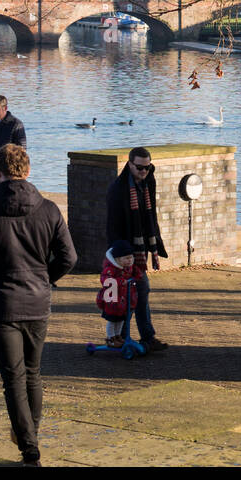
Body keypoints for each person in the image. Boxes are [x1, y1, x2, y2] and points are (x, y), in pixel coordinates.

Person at [0, 143, 76, 466]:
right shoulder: (49, 209)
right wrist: (44, 278)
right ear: (27, 170)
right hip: (37, 301)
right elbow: (69, 257)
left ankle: (30, 449)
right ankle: (29, 434)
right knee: (33, 373)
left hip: (1, 304)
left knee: (13, 378)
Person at [104, 147, 169, 351]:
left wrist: (155, 241)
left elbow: (151, 215)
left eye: (147, 167)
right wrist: (120, 255)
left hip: (140, 250)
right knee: (134, 292)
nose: (143, 171)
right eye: (139, 167)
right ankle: (127, 338)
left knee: (138, 293)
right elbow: (112, 225)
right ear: (130, 164)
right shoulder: (118, 189)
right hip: (125, 251)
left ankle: (141, 337)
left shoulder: (149, 181)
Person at [97, 240, 142, 347]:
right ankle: (110, 338)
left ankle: (118, 336)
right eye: (126, 258)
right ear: (118, 259)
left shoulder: (129, 267)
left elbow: (137, 274)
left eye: (131, 257)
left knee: (121, 319)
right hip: (112, 299)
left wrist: (137, 276)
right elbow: (106, 280)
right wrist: (121, 281)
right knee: (112, 320)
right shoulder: (110, 269)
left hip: (124, 299)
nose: (129, 260)